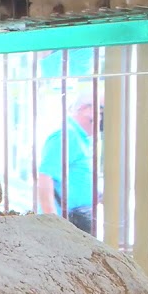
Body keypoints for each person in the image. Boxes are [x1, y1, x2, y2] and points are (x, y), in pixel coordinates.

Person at [37, 91, 99, 234]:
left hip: (75, 222)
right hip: (66, 224)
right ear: (85, 109)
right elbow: (45, 177)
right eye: (101, 111)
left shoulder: (79, 137)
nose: (103, 118)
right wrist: (52, 224)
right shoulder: (66, 135)